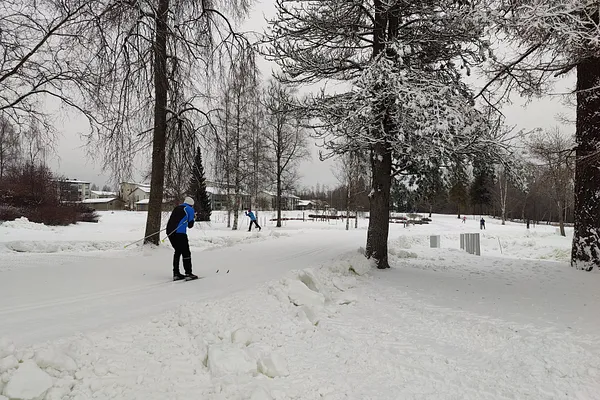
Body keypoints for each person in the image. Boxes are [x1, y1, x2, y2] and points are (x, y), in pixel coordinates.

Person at [166, 196, 198, 281]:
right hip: (180, 233)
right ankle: (188, 273)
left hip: (170, 232)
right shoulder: (189, 209)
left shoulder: (177, 208)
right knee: (186, 252)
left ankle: (176, 273)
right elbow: (190, 225)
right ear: (192, 204)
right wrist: (194, 218)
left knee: (178, 251)